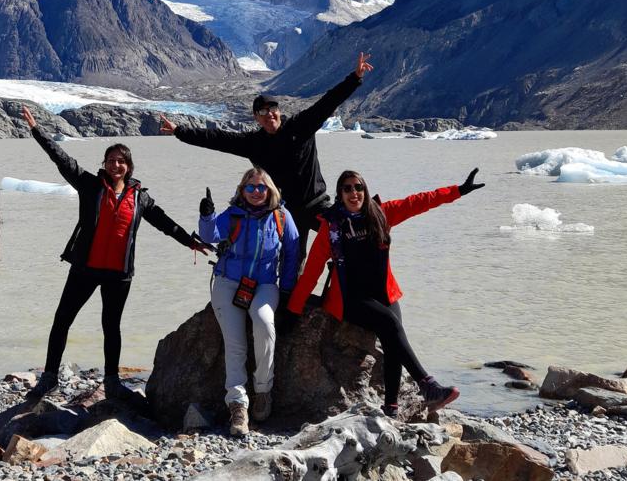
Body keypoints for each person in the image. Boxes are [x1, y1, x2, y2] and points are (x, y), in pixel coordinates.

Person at [21, 106, 211, 403]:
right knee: (62, 320)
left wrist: (189, 241)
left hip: (119, 274)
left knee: (111, 326)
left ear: (129, 166)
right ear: (104, 164)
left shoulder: (140, 197)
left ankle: (111, 382)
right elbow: (61, 158)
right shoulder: (89, 185)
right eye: (111, 160)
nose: (116, 165)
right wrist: (36, 131)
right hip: (85, 268)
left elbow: (162, 221)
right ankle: (49, 378)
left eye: (121, 161)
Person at [287, 168, 485, 416]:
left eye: (358, 187)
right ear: (340, 194)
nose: (354, 193)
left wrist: (457, 191)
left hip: (383, 293)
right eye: (347, 188)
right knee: (391, 324)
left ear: (365, 190)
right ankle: (427, 385)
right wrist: (293, 309)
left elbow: (419, 201)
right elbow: (312, 270)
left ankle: (391, 406)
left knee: (394, 340)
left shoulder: (381, 214)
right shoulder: (332, 226)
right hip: (350, 298)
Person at [161, 52, 373, 265]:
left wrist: (355, 78)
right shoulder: (253, 143)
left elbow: (327, 102)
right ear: (256, 117)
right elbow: (216, 139)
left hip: (317, 205)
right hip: (285, 212)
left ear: (279, 112)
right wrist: (180, 131)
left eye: (272, 109)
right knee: (291, 260)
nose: (269, 114)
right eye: (262, 111)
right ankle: (288, 297)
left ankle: (351, 291)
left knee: (348, 241)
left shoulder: (300, 126)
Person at [197, 167, 300, 436]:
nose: (256, 192)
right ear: (242, 190)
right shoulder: (232, 215)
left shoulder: (281, 217)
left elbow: (292, 253)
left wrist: (287, 291)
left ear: (270, 190)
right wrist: (206, 216)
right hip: (228, 282)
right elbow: (209, 239)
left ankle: (263, 390)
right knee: (235, 344)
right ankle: (238, 405)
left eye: (261, 187)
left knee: (264, 323)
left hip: (265, 285)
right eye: (250, 187)